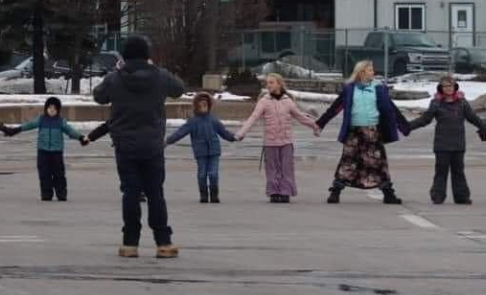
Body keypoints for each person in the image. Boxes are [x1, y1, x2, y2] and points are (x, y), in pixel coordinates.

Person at [93, 36, 184, 259]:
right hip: (152, 144)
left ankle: (130, 243)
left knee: (130, 193)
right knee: (155, 193)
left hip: (125, 145)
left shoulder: (116, 78)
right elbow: (179, 89)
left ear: (124, 56)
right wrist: (156, 68)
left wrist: (117, 73)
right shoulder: (160, 76)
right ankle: (163, 242)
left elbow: (98, 96)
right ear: (147, 54)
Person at [316, 60, 409, 205]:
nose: (373, 72)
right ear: (361, 72)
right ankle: (335, 192)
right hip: (354, 132)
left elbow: (391, 109)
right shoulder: (349, 89)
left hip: (372, 131)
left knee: (378, 163)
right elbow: (335, 108)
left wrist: (404, 125)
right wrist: (320, 124)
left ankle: (388, 194)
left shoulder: (379, 89)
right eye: (370, 70)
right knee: (348, 161)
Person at [235, 74, 320, 204]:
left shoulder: (288, 101)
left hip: (286, 142)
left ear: (279, 84)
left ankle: (285, 192)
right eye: (267, 83)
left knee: (287, 168)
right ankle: (274, 192)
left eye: (271, 82)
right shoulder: (264, 101)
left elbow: (300, 116)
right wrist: (241, 133)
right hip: (270, 142)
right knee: (272, 168)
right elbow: (253, 118)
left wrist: (315, 126)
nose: (268, 85)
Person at [407, 76, 486, 205]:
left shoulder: (462, 102)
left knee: (458, 172)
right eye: (445, 86)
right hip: (442, 144)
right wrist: (408, 127)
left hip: (458, 144)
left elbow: (472, 117)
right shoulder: (435, 103)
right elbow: (425, 119)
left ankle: (461, 197)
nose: (448, 88)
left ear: (455, 87)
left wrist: (485, 127)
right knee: (441, 171)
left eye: (450, 86)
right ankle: (438, 196)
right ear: (440, 88)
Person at [6, 96, 83, 201]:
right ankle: (46, 194)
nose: (51, 110)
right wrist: (16, 130)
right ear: (46, 108)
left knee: (59, 174)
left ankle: (61, 194)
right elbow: (29, 125)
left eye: (54, 108)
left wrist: (80, 137)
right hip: (43, 151)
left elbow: (70, 131)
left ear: (58, 110)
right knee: (44, 174)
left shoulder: (60, 121)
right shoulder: (41, 119)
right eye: (49, 108)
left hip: (56, 152)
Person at [165, 92, 237, 204]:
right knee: (202, 174)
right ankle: (203, 195)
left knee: (213, 174)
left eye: (206, 105)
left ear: (209, 106)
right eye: (201, 105)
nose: (204, 107)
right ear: (196, 106)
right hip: (200, 152)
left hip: (214, 151)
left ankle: (214, 195)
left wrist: (235, 137)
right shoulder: (193, 121)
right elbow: (180, 133)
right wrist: (167, 141)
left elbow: (224, 132)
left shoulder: (213, 120)